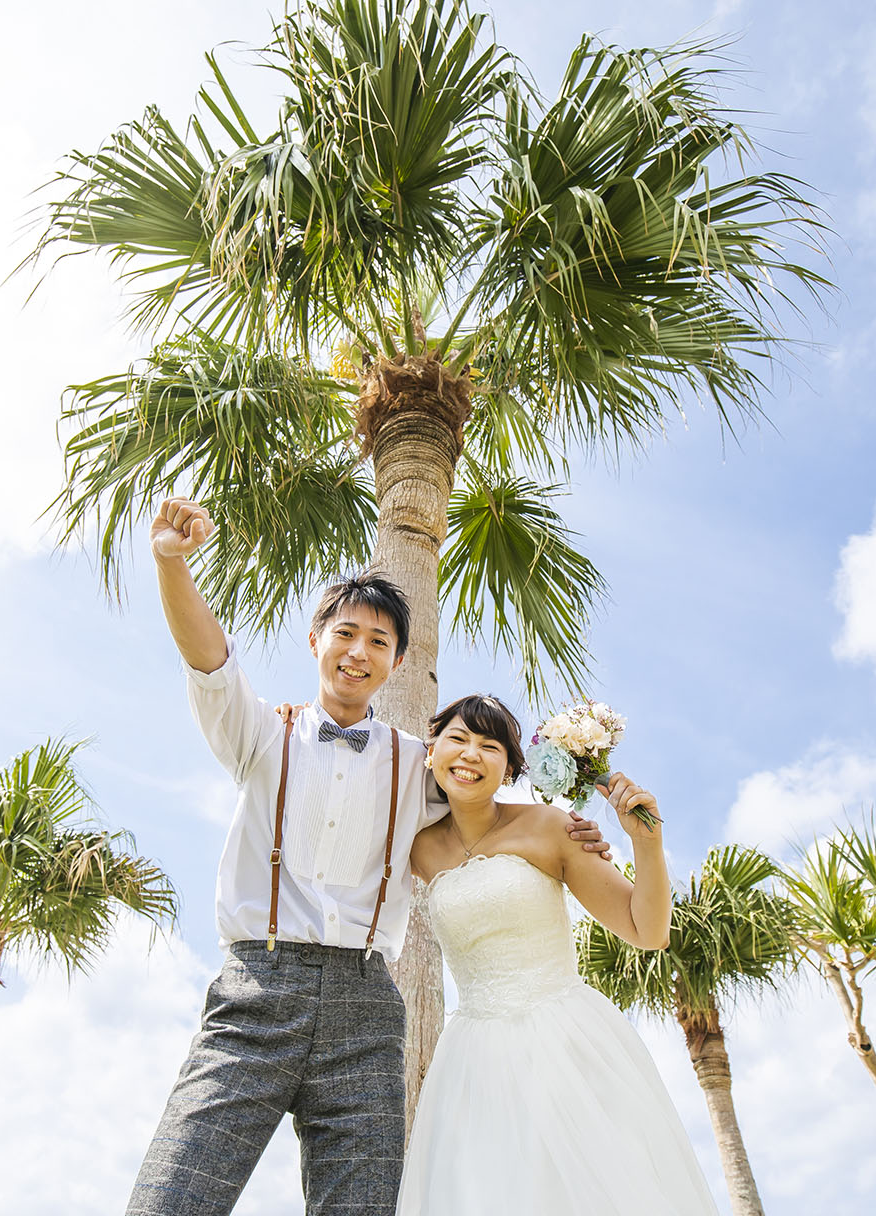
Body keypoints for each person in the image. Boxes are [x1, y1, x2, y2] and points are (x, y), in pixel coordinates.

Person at [126, 497, 610, 1216]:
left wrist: (567, 827)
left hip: (367, 1006)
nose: (359, 651)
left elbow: (492, 808)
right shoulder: (261, 733)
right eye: (345, 633)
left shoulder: (422, 765)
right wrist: (171, 559)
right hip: (257, 987)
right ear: (316, 638)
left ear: (398, 660)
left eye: (379, 641)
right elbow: (210, 660)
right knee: (174, 1194)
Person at [396, 692, 720, 1215]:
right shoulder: (416, 847)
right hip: (472, 1060)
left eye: (490, 745)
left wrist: (646, 843)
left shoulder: (552, 826)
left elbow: (647, 930)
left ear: (510, 767)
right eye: (458, 739)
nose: (470, 754)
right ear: (431, 751)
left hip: (564, 1038)